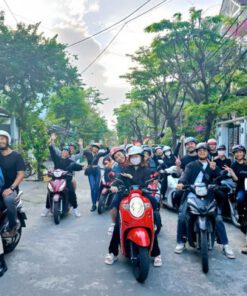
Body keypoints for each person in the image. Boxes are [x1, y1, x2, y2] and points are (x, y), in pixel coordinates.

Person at [174, 143, 235, 259]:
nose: (202, 152)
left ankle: (225, 245)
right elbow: (184, 176)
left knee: (218, 217)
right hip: (191, 193)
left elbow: (220, 178)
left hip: (208, 194)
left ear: (208, 152)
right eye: (200, 150)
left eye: (204, 150)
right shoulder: (191, 165)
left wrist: (215, 169)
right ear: (197, 152)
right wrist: (181, 183)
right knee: (182, 215)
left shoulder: (212, 165)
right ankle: (181, 241)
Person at [105, 146, 162, 267]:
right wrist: (114, 185)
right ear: (129, 158)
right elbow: (118, 179)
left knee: (151, 221)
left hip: (142, 195)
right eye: (132, 156)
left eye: (137, 156)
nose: (135, 158)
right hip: (127, 196)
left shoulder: (147, 170)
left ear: (141, 157)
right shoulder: (126, 168)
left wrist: (155, 178)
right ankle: (112, 253)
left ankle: (156, 254)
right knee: (119, 225)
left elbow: (152, 179)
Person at [0, 130, 25, 277]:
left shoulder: (16, 156)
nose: (0, 141)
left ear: (8, 140)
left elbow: (21, 174)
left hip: (10, 189)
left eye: (3, 139)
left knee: (9, 200)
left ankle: (11, 225)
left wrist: (11, 188)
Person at [41, 136, 83, 217]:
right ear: (61, 152)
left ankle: (75, 209)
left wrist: (83, 167)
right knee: (50, 191)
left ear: (69, 154)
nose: (65, 152)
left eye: (67, 151)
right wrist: (51, 141)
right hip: (55, 179)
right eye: (64, 151)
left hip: (66, 180)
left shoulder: (71, 161)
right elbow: (52, 150)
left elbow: (76, 166)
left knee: (71, 192)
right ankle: (47, 208)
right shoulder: (57, 158)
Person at [224, 144, 247, 254]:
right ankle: (242, 218)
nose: (239, 154)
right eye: (236, 152)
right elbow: (237, 179)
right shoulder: (233, 165)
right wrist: (232, 173)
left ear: (244, 153)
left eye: (241, 152)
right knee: (240, 200)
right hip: (242, 187)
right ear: (234, 154)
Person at [108, 147, 128, 235]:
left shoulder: (133, 160)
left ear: (124, 153)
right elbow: (114, 178)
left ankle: (152, 221)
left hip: (137, 188)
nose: (119, 158)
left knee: (150, 201)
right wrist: (113, 186)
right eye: (116, 157)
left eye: (119, 155)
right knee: (114, 203)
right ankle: (113, 224)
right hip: (122, 189)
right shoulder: (116, 166)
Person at [83, 143, 109, 212]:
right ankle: (94, 204)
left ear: (98, 149)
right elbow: (82, 151)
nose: (95, 148)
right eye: (94, 147)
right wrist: (88, 146)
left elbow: (107, 152)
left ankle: (97, 198)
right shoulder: (88, 153)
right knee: (92, 188)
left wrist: (107, 146)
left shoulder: (99, 154)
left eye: (97, 148)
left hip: (97, 170)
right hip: (90, 171)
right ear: (92, 148)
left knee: (96, 187)